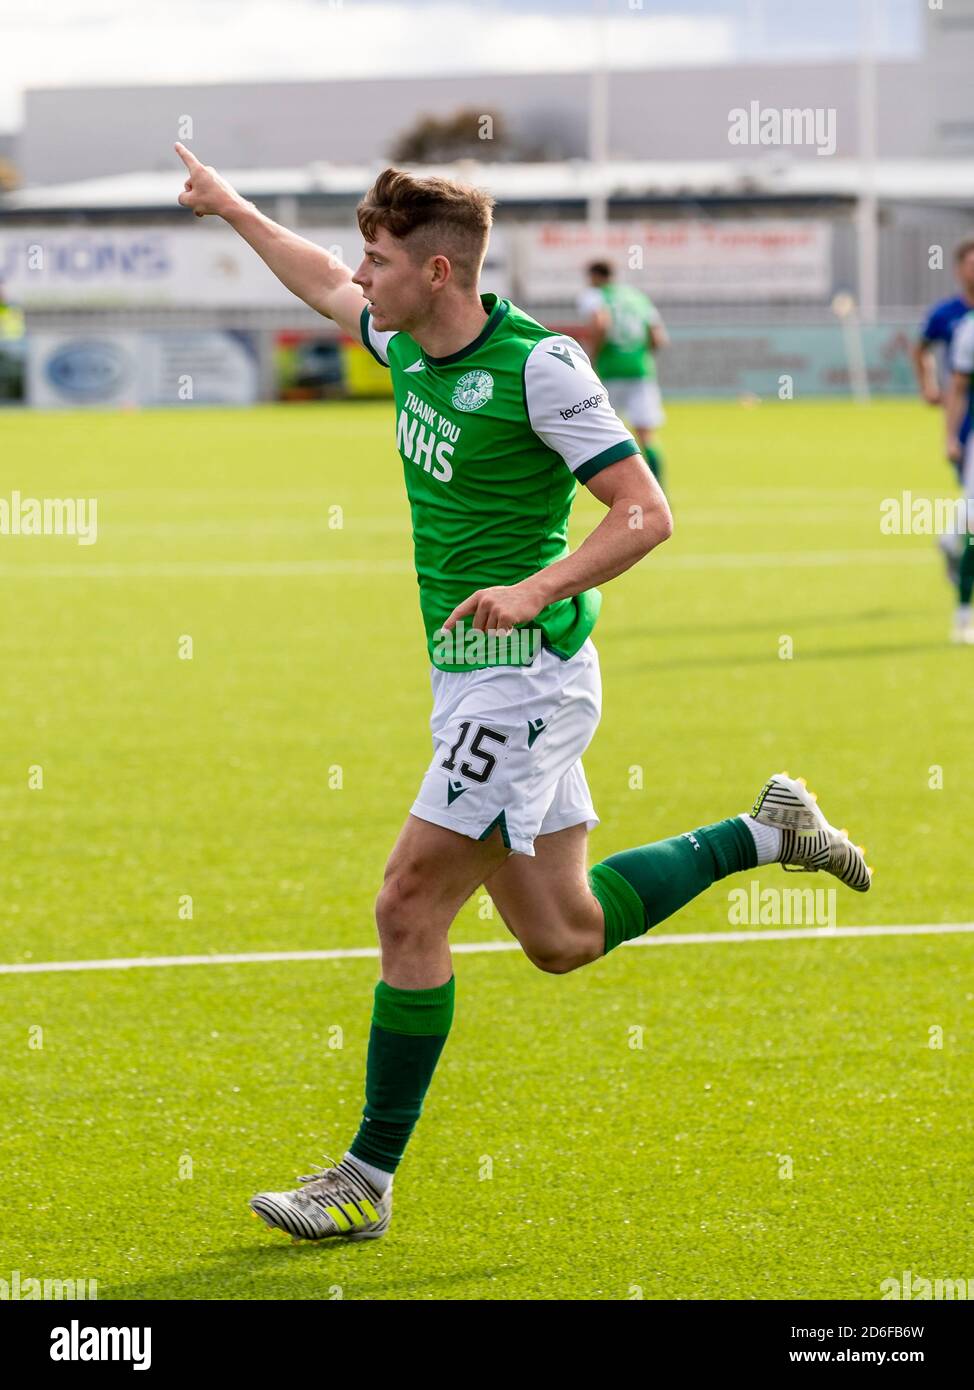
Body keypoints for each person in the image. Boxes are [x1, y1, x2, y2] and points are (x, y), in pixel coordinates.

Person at [174, 143, 872, 1244]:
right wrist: (229, 207)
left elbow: (644, 511)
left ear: (438, 271)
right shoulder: (404, 339)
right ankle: (765, 831)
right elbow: (317, 277)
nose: (361, 277)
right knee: (563, 934)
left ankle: (363, 1180)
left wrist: (534, 588)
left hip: (526, 679)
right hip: (468, 679)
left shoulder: (540, 366)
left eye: (379, 260)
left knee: (407, 904)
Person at [912, 238, 974, 594]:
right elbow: (920, 349)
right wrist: (928, 386)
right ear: (958, 269)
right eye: (971, 264)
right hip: (964, 411)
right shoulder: (947, 314)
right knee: (969, 486)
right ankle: (953, 540)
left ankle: (952, 540)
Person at [578, 260, 667, 489]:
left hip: (611, 371)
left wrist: (592, 357)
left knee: (601, 434)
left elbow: (600, 323)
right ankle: (657, 489)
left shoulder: (596, 296)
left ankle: (617, 489)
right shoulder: (637, 297)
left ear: (595, 276)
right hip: (640, 370)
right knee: (646, 435)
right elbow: (657, 337)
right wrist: (639, 355)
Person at [943, 308, 974, 642]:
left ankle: (951, 536)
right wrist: (951, 436)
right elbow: (959, 387)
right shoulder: (970, 330)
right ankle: (963, 616)